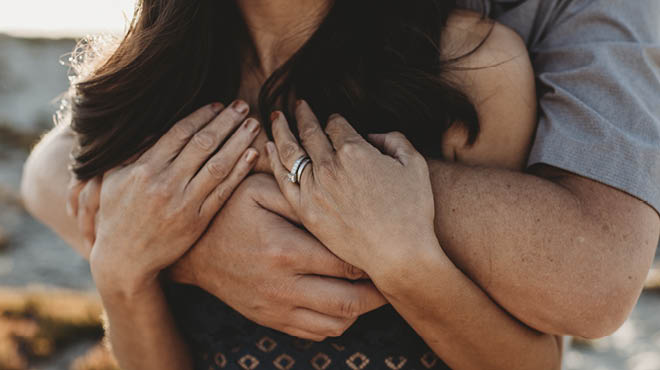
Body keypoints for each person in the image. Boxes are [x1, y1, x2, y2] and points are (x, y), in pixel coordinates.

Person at [20, 0, 659, 369]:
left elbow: (533, 364)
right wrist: (122, 273)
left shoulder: (471, 66)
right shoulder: (147, 75)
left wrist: (407, 262)